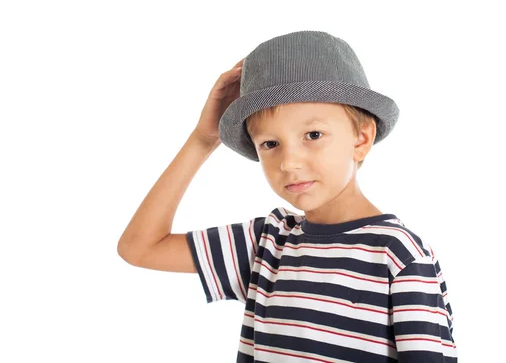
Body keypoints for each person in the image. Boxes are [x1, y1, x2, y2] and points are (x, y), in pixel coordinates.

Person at [117, 30, 457, 362]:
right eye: (270, 143)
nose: (289, 162)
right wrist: (202, 139)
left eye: (313, 134)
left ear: (361, 139)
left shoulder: (398, 255)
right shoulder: (267, 243)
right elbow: (139, 246)